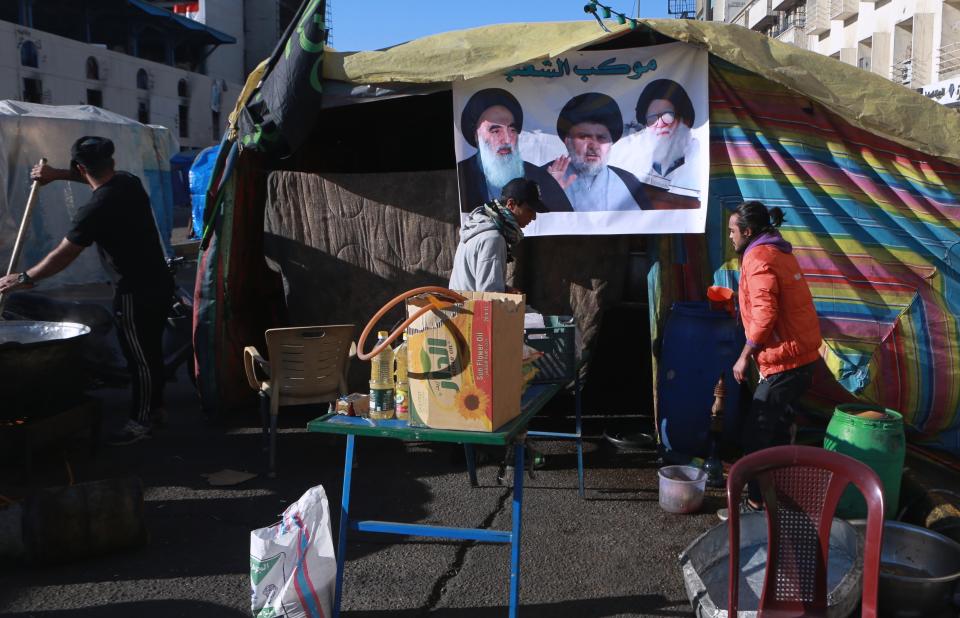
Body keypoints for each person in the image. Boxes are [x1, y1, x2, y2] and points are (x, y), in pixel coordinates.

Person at [0, 136, 174, 446]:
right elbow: (89, 175)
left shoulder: (95, 209)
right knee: (149, 353)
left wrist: (24, 277)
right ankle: (155, 410)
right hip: (158, 282)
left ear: (81, 167)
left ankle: (142, 421)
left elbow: (63, 255)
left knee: (140, 359)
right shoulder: (127, 183)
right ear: (112, 162)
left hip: (135, 291)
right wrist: (55, 175)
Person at [719, 201, 822, 520]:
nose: (730, 237)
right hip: (800, 358)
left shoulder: (759, 257)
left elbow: (765, 314)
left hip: (786, 363)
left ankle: (755, 506)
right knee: (776, 432)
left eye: (733, 231)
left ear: (748, 232)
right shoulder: (777, 251)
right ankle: (777, 503)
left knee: (756, 434)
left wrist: (743, 356)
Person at [456, 88, 571, 212]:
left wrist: (549, 194)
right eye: (495, 131)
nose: (506, 140)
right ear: (476, 136)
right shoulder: (461, 176)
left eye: (512, 130)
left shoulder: (538, 177)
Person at [545, 92, 651, 212]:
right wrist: (550, 193)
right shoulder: (543, 176)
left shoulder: (628, 182)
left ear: (611, 143)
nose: (593, 146)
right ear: (567, 141)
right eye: (584, 137)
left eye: (601, 138)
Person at [449, 177, 547, 293]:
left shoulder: (479, 227)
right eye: (530, 210)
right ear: (511, 204)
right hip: (471, 310)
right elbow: (490, 296)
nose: (534, 217)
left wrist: (506, 290)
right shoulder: (492, 239)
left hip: (461, 307)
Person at [609, 79, 700, 197]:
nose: (660, 124)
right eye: (652, 118)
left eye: (667, 115)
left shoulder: (698, 156)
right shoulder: (629, 158)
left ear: (683, 119)